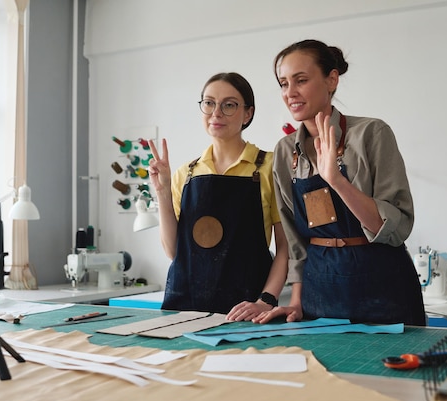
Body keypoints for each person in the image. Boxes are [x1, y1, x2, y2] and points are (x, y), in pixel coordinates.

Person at [254, 39, 425, 325]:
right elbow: (296, 241)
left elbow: (395, 229)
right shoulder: (285, 151)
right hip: (319, 290)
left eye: (301, 80)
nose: (290, 93)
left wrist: (335, 180)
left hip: (383, 287)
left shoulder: (371, 134)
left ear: (331, 79)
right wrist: (296, 302)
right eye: (283, 83)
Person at [148, 72, 288, 321]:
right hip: (185, 308)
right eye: (209, 103)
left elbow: (286, 248)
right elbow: (174, 252)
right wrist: (162, 192)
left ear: (248, 113)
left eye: (229, 105)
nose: (216, 112)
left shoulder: (269, 167)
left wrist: (266, 300)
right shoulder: (186, 174)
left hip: (246, 311)